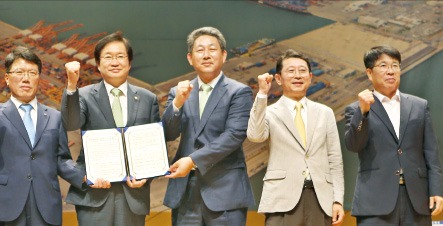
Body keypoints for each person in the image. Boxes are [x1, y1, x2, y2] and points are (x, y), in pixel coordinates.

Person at [0, 46, 84, 226]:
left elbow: (62, 160)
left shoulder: (55, 117)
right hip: (5, 205)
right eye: (19, 72)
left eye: (32, 73)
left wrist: (86, 177)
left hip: (45, 207)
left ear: (38, 78)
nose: (26, 78)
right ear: (7, 79)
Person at [61, 31, 160, 226]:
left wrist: (146, 176)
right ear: (98, 64)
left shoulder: (148, 99)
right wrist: (71, 85)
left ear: (129, 63)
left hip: (132, 196)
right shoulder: (83, 95)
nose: (114, 62)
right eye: (108, 57)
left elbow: (155, 146)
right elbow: (71, 123)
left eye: (120, 56)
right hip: (94, 195)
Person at [161, 26, 255, 226]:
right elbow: (168, 134)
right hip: (185, 193)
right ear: (190, 58)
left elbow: (234, 135)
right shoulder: (178, 91)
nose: (206, 55)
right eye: (200, 50)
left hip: (225, 192)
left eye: (212, 49)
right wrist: (177, 103)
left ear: (223, 55)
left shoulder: (239, 92)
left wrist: (192, 160)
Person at [345, 45, 443, 225]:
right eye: (383, 66)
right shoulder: (356, 109)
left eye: (395, 65)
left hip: (417, 199)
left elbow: (431, 152)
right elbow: (353, 145)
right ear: (369, 73)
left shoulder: (419, 105)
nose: (390, 71)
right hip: (375, 201)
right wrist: (363, 113)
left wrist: (436, 189)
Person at [247, 49, 344, 226]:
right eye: (291, 71)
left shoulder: (325, 113)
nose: (297, 75)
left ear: (310, 76)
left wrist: (338, 200)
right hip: (282, 199)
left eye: (302, 71)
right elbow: (255, 136)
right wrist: (262, 94)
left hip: (320, 198)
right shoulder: (269, 112)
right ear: (278, 78)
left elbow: (335, 160)